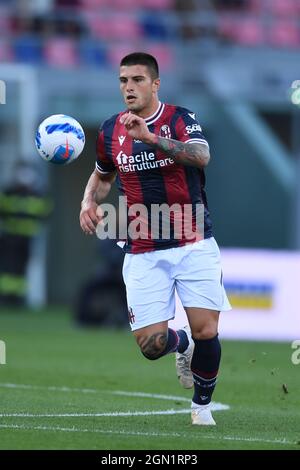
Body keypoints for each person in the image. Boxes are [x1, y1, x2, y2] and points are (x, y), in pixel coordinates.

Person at [80, 52, 231, 425]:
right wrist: (87, 201)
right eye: (123, 81)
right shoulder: (110, 129)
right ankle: (182, 344)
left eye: (136, 80)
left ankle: (201, 408)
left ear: (155, 83)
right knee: (151, 346)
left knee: (207, 329)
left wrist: (149, 138)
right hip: (144, 249)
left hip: (192, 239)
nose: (128, 87)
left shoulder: (180, 118)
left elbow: (201, 156)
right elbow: (102, 175)